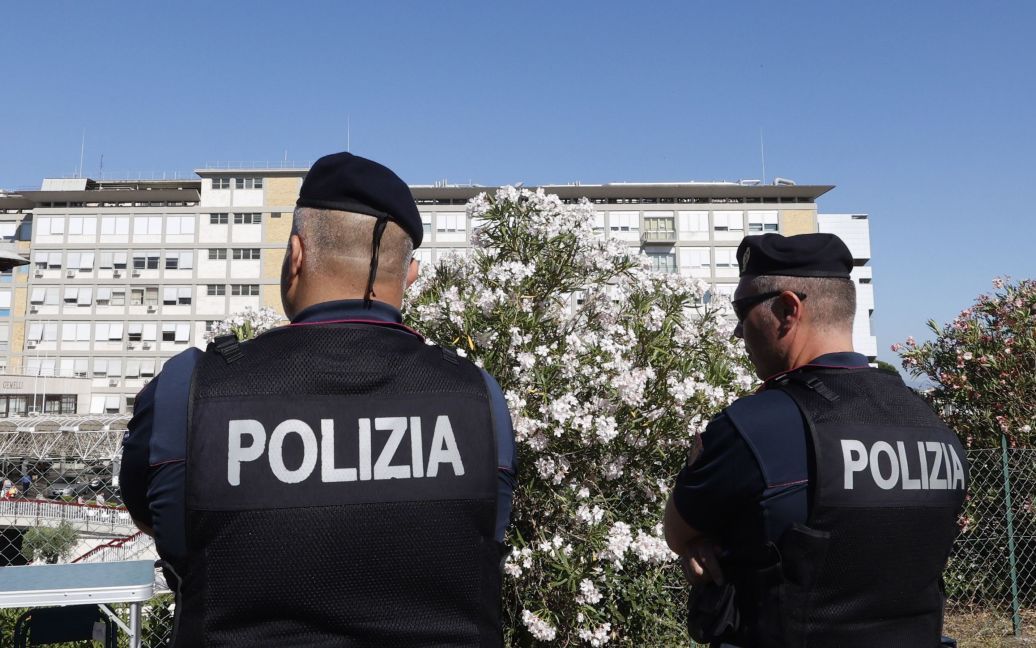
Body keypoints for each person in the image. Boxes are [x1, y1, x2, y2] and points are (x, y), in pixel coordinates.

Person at [120, 152, 517, 647]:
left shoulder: (189, 390)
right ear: (410, 275)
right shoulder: (480, 397)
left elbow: (156, 519)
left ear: (296, 255)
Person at [663, 233, 968, 648]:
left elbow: (679, 533)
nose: (738, 331)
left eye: (742, 310)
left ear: (787, 310)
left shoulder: (753, 427)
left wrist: (706, 541)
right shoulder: (930, 423)